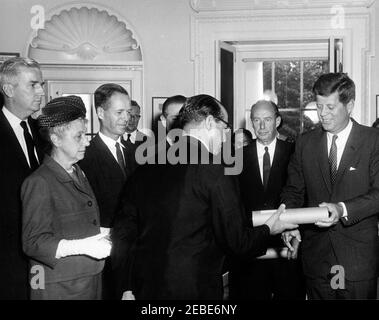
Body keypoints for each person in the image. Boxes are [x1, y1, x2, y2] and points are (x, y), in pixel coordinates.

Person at [112, 94, 298, 300]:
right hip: (194, 289)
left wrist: (126, 287)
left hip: (146, 287)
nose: (226, 135)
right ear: (210, 122)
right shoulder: (214, 169)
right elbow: (236, 242)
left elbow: (123, 234)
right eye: (224, 127)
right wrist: (270, 228)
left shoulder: (146, 167)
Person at [281, 73, 379, 299]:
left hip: (358, 262)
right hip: (316, 260)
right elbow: (293, 190)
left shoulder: (373, 140)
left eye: (331, 107)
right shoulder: (304, 143)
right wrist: (289, 222)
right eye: (319, 106)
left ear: (350, 105)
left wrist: (341, 209)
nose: (323, 114)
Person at [21, 96, 111, 300]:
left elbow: (75, 220)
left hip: (88, 278)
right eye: (79, 136)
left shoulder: (78, 171)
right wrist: (83, 246)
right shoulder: (40, 182)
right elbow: (33, 243)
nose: (87, 140)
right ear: (56, 139)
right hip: (58, 286)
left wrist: (105, 232)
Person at [229, 100, 305, 300]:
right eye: (256, 120)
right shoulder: (235, 158)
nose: (261, 126)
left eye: (267, 119)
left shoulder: (296, 153)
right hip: (250, 251)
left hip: (287, 248)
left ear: (278, 121)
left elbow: (303, 196)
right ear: (251, 123)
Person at [79, 83, 130, 299]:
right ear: (100, 112)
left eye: (128, 112)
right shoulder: (86, 157)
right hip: (105, 254)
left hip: (134, 252)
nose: (126, 118)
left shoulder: (136, 152)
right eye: (119, 112)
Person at [0, 57, 45, 299]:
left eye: (41, 85)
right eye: (33, 85)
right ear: (8, 89)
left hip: (38, 255)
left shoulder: (40, 132)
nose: (41, 91)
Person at [122, 99, 148, 175]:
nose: (132, 119)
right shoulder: (115, 140)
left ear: (139, 118)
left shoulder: (148, 142)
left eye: (136, 116)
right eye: (129, 115)